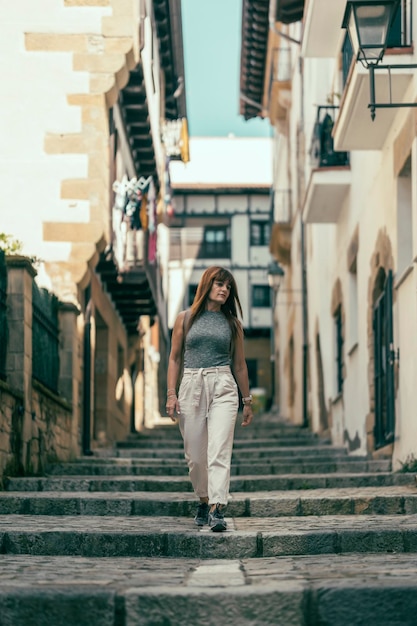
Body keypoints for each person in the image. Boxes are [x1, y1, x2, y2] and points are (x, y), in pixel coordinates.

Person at [166, 266, 254, 532]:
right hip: (191, 384)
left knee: (219, 449)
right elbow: (174, 358)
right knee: (194, 454)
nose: (224, 289)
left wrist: (247, 401)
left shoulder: (232, 324)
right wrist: (171, 394)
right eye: (219, 284)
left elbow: (239, 365)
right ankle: (203, 500)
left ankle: (217, 508)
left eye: (228, 286)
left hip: (224, 385)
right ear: (207, 284)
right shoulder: (185, 318)